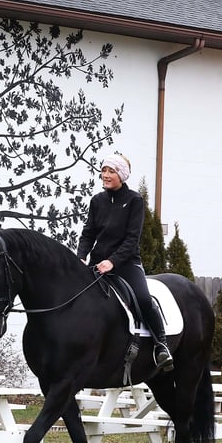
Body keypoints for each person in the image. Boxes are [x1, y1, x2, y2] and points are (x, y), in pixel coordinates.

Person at [76, 153, 173, 373]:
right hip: (97, 264)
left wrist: (112, 261)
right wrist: (81, 257)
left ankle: (161, 345)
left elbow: (132, 239)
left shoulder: (135, 201)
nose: (105, 175)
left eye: (111, 171)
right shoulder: (96, 201)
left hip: (127, 264)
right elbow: (88, 234)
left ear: (121, 175)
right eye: (104, 170)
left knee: (143, 299)